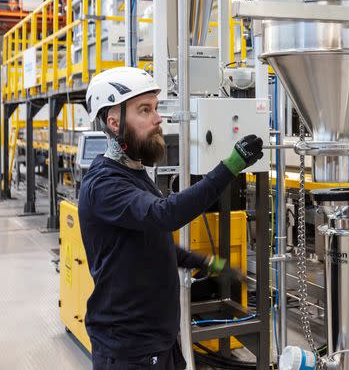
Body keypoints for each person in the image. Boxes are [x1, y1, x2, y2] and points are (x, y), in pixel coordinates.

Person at [78, 67, 264, 370]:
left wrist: (205, 263)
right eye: (145, 110)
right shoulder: (104, 184)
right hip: (129, 349)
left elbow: (148, 242)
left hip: (159, 339)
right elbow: (164, 215)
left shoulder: (133, 172)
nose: (157, 118)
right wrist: (231, 164)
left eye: (155, 108)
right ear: (114, 122)